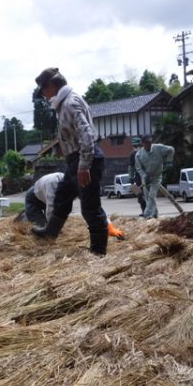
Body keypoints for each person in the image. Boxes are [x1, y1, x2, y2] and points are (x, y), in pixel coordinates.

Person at [31, 67, 109, 255]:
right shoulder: (65, 102)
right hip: (76, 159)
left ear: (51, 85)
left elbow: (87, 135)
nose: (43, 94)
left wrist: (84, 166)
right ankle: (50, 232)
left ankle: (98, 251)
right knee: (62, 196)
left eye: (43, 89)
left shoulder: (70, 103)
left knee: (90, 208)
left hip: (85, 159)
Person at [24, 171, 124, 238]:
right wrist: (53, 231)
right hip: (34, 199)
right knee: (42, 229)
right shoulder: (54, 185)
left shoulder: (76, 184)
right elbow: (52, 210)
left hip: (45, 194)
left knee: (52, 228)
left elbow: (93, 206)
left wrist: (109, 227)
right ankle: (24, 217)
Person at [134, 136, 174, 219]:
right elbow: (138, 168)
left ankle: (147, 214)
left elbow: (171, 149)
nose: (148, 145)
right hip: (145, 176)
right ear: (143, 144)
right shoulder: (139, 154)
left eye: (149, 143)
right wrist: (144, 176)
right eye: (146, 143)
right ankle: (154, 213)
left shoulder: (158, 148)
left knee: (152, 195)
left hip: (157, 175)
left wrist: (169, 161)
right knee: (147, 196)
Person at [128, 137, 146, 216]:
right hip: (138, 177)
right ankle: (143, 211)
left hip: (147, 176)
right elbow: (131, 167)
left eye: (137, 145)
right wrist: (131, 178)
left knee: (149, 194)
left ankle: (151, 211)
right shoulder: (132, 155)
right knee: (140, 195)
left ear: (140, 145)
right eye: (134, 146)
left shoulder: (146, 153)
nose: (136, 147)